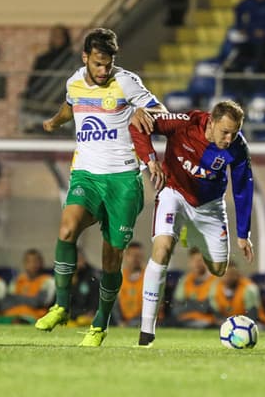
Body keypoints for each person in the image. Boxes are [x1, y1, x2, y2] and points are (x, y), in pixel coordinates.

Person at [32, 28, 167, 347]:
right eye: (98, 64)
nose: (104, 70)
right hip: (86, 175)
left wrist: (142, 110)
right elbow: (71, 106)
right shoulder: (74, 81)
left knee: (111, 257)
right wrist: (54, 122)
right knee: (67, 230)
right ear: (86, 58)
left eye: (108, 64)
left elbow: (160, 111)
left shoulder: (127, 82)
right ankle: (61, 306)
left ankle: (99, 324)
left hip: (123, 180)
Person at [129, 100, 255, 347]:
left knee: (219, 269)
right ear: (211, 122)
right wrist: (150, 160)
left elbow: (243, 188)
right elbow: (137, 126)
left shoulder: (238, 147)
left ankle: (190, 231)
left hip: (209, 207)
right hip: (173, 193)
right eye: (225, 132)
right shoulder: (184, 123)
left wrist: (243, 233)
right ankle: (146, 332)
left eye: (235, 132)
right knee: (162, 249)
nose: (229, 138)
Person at [0, 249, 55, 324]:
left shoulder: (48, 281)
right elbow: (6, 302)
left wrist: (17, 298)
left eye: (36, 261)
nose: (33, 265)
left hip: (35, 318)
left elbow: (41, 302)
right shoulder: (17, 281)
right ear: (24, 264)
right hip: (11, 315)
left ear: (42, 263)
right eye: (29, 262)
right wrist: (30, 300)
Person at [171, 246, 218, 328]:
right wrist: (200, 306)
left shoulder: (215, 281)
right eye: (194, 260)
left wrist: (189, 304)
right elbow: (177, 308)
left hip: (209, 323)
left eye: (200, 260)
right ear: (190, 262)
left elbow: (212, 308)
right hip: (185, 322)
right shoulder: (185, 280)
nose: (197, 264)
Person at [25, 24, 74, 99]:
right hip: (43, 99)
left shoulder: (73, 59)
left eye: (59, 36)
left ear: (65, 38)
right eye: (54, 36)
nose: (56, 39)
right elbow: (33, 82)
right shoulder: (42, 59)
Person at [114, 241, 146, 327]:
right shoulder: (119, 276)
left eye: (140, 256)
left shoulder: (149, 277)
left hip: (143, 320)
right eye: (134, 256)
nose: (137, 259)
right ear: (126, 256)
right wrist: (120, 321)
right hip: (122, 321)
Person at [68, 248, 100, 327]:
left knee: (82, 321)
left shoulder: (92, 276)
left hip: (86, 315)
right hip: (70, 315)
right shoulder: (65, 277)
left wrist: (92, 311)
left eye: (79, 259)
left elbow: (96, 298)